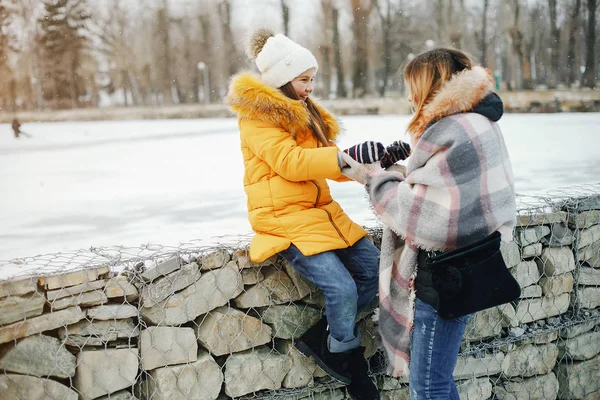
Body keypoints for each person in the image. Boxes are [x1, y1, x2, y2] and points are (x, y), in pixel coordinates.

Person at [339, 48, 516, 399]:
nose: (408, 96)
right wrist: (399, 175)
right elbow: (447, 193)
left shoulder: (451, 131)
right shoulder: (478, 121)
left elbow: (426, 216)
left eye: (412, 87)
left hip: (445, 276)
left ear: (431, 86)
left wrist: (374, 177)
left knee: (429, 385)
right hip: (469, 265)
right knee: (436, 380)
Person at [226, 28, 383, 400]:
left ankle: (322, 336)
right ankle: (347, 356)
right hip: (283, 219)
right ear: (282, 78)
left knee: (378, 275)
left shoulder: (305, 113)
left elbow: (325, 163)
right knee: (342, 288)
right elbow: (292, 163)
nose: (311, 87)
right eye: (304, 79)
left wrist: (368, 164)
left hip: (321, 213)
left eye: (313, 79)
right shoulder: (257, 118)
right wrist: (342, 160)